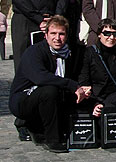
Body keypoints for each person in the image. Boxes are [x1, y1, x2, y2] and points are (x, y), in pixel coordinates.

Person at [9, 15, 90, 153]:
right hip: (24, 99)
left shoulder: (70, 53)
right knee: (49, 90)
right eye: (53, 33)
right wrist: (73, 85)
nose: (57, 38)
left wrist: (82, 88)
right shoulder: (34, 52)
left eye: (61, 34)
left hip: (54, 97)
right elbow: (41, 78)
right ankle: (52, 139)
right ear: (45, 35)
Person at [78, 18, 116, 117]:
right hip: (96, 96)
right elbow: (84, 79)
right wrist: (93, 103)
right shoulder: (89, 53)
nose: (111, 37)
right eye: (107, 33)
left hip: (114, 94)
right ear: (99, 34)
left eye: (115, 34)